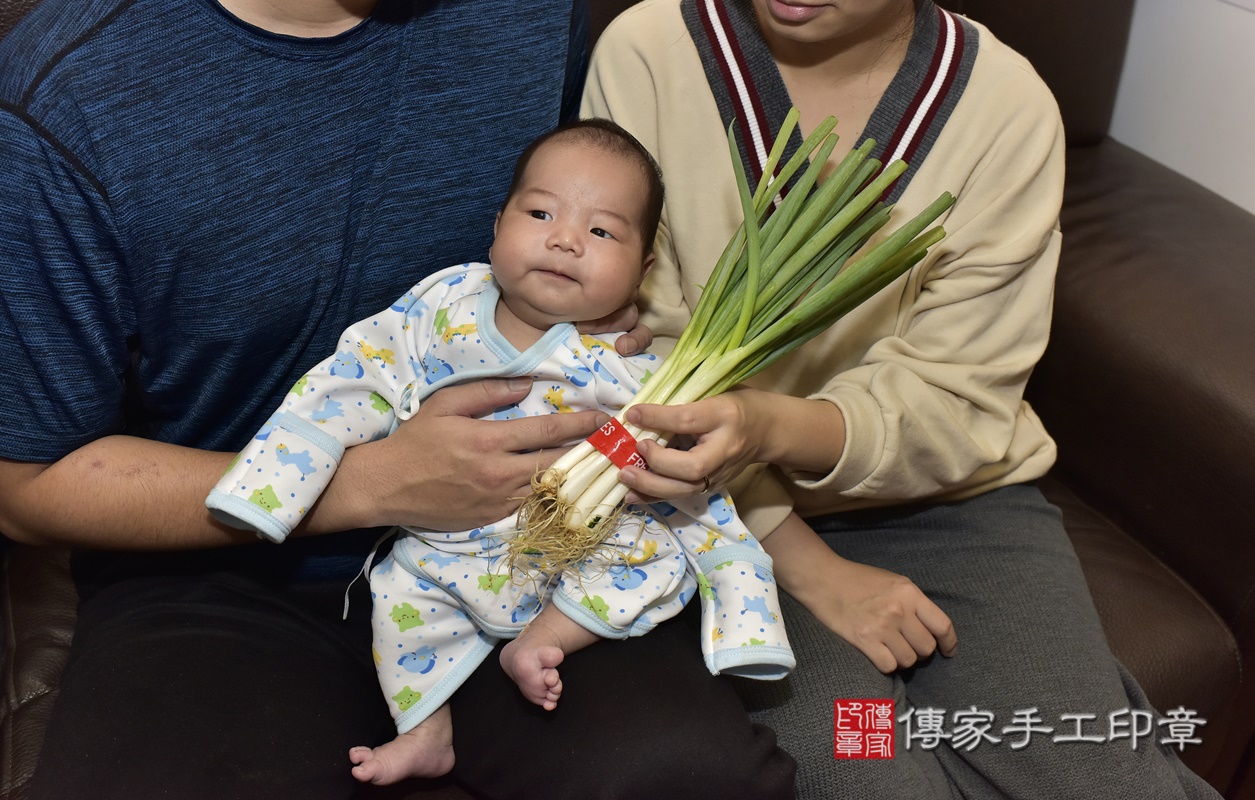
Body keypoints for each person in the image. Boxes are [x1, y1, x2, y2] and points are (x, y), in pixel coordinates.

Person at [0, 2, 798, 798]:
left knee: (690, 775)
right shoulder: (73, 87)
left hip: (531, 560)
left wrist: (608, 327)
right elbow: (25, 486)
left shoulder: (538, 19)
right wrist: (370, 484)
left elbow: (588, 223)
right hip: (221, 568)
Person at [583, 0, 1224, 798]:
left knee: (1099, 779)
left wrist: (768, 424)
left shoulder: (1005, 106)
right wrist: (813, 569)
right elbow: (641, 359)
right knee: (872, 775)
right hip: (720, 519)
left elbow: (958, 395)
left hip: (949, 501)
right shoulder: (649, 50)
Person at [205, 119, 796, 785]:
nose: (564, 238)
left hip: (568, 550)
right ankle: (426, 729)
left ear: (642, 272)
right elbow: (355, 378)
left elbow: (666, 477)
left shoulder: (621, 368)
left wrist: (728, 574)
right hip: (445, 546)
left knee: (649, 557)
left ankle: (542, 642)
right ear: (495, 226)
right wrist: (274, 481)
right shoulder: (443, 309)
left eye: (601, 232)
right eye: (540, 212)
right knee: (402, 592)